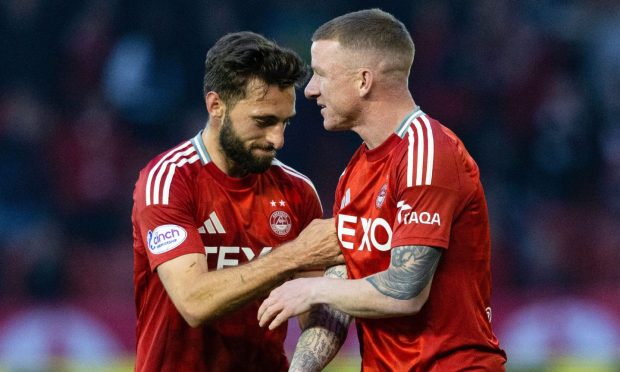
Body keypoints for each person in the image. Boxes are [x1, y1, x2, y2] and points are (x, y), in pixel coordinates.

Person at [257, 9, 507, 371]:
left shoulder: (427, 151)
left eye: (321, 75)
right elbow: (345, 278)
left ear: (363, 81)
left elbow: (406, 292)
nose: (310, 90)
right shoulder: (355, 172)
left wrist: (311, 289)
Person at [131, 31, 342, 371]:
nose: (278, 139)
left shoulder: (298, 191)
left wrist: (341, 283)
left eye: (284, 122)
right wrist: (295, 255)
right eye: (263, 121)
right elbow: (193, 301)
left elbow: (312, 317)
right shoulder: (169, 180)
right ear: (216, 105)